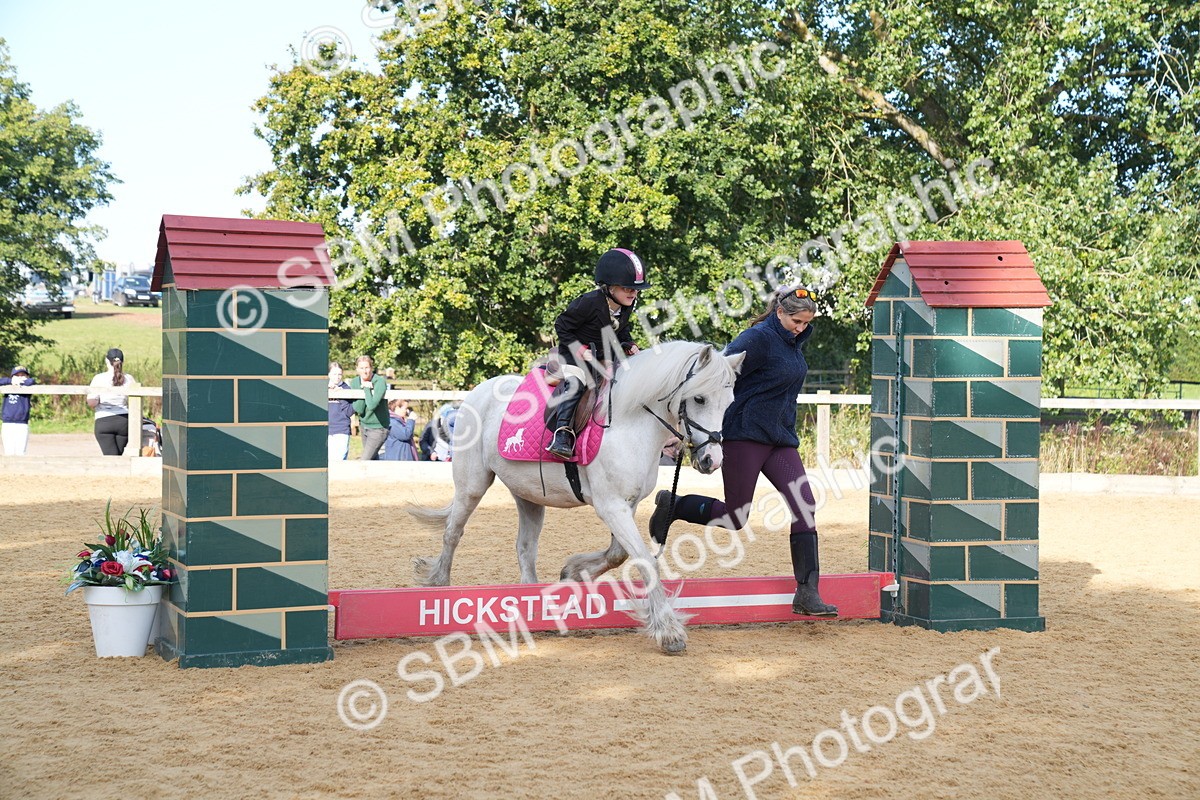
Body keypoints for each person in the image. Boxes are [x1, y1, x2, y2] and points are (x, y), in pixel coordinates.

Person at [647, 287, 839, 617]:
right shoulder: (757, 338)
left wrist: (799, 325)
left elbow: (792, 346)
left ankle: (807, 593)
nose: (802, 328)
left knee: (805, 503)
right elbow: (717, 372)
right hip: (744, 435)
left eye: (807, 323)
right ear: (779, 312)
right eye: (796, 321)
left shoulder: (794, 341)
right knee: (736, 516)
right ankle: (674, 505)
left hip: (781, 439)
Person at [546, 247, 649, 458]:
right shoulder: (588, 302)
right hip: (573, 355)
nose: (633, 292)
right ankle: (562, 434)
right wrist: (579, 349)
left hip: (602, 356)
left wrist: (629, 344)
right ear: (609, 287)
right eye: (627, 288)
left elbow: (621, 330)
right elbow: (562, 325)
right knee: (577, 383)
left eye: (636, 289)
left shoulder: (626, 305)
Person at [86, 348, 139, 456]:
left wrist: (99, 400)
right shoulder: (129, 379)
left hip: (104, 421)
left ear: (107, 361)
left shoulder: (99, 378)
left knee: (111, 458)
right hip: (124, 421)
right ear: (122, 362)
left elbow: (91, 403)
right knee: (117, 457)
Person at [351, 355, 389, 460]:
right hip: (364, 426)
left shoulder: (379, 381)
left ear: (371, 368)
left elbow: (372, 405)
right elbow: (359, 409)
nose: (365, 371)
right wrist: (363, 388)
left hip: (379, 427)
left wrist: (366, 389)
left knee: (365, 460)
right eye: (362, 368)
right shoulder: (355, 382)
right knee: (373, 460)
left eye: (367, 367)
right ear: (357, 369)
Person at [1, 365, 35, 456]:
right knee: (9, 452)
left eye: (22, 375)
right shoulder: (7, 384)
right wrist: (10, 381)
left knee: (21, 453)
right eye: (17, 375)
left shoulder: (28, 385)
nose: (20, 377)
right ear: (12, 377)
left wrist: (22, 382)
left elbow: (32, 381)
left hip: (22, 424)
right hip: (7, 424)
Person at [327, 362, 354, 462]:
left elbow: (349, 412)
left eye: (339, 374)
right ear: (329, 374)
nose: (337, 377)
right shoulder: (322, 388)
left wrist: (340, 394)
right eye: (334, 374)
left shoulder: (347, 389)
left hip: (341, 429)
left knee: (339, 459)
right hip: (326, 429)